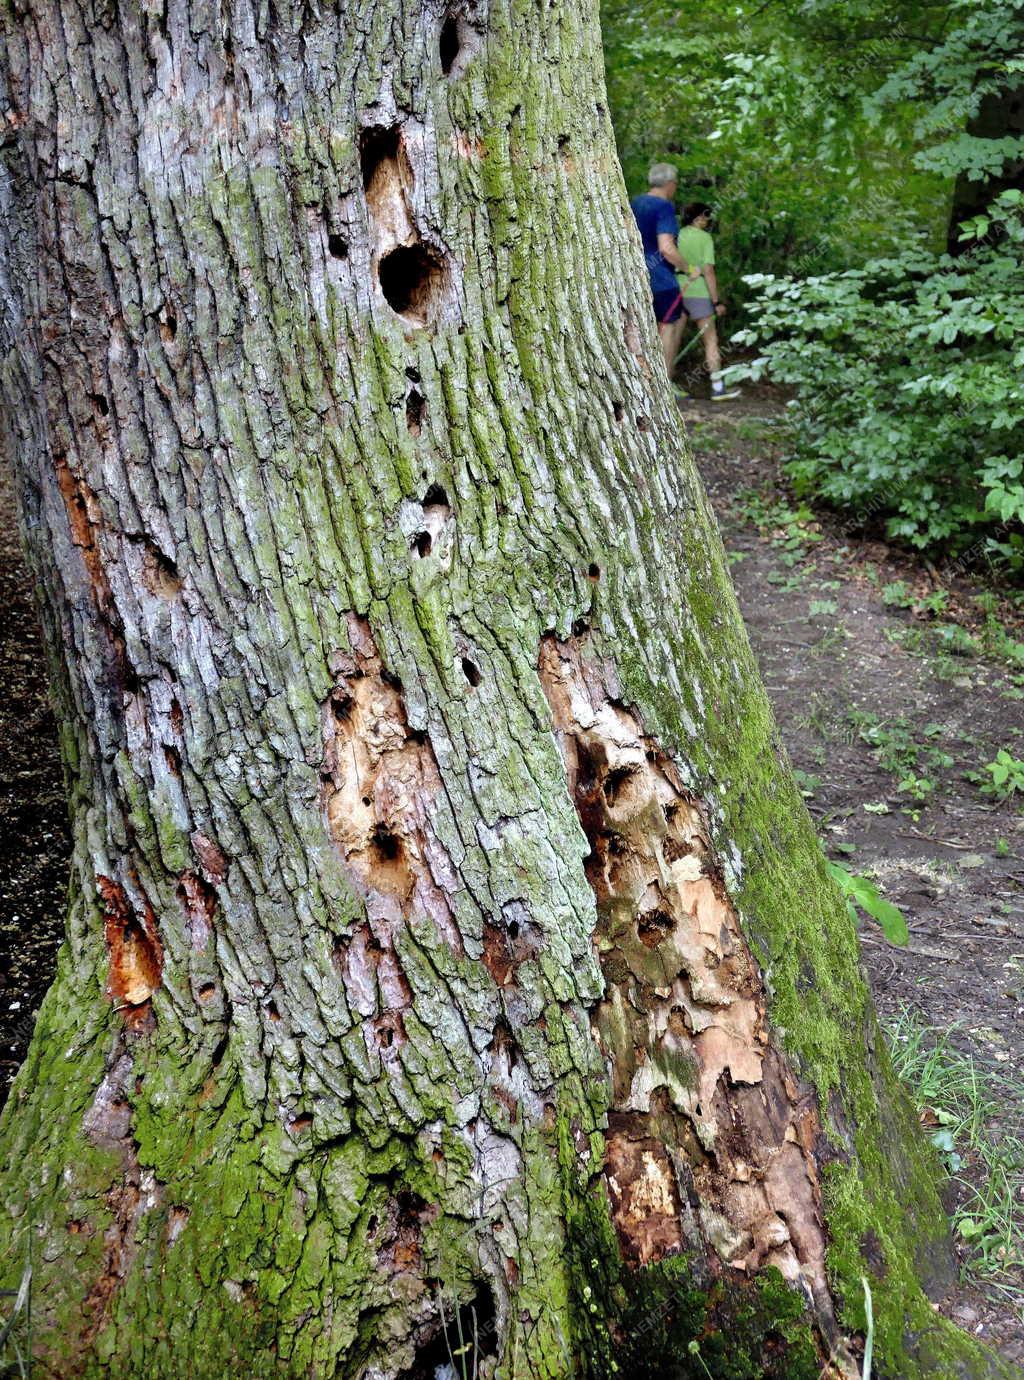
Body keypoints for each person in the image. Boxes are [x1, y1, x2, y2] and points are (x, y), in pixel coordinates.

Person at [630, 163, 698, 378]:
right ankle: (665, 382)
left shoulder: (634, 203)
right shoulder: (664, 206)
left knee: (638, 330)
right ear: (670, 184)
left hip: (633, 277)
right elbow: (667, 248)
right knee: (669, 326)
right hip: (661, 280)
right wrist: (689, 269)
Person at [676, 203, 740, 401]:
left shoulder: (677, 235)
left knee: (671, 340)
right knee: (711, 340)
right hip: (700, 291)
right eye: (705, 217)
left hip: (677, 289)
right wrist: (716, 301)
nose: (707, 220)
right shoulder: (705, 238)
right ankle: (718, 387)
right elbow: (709, 271)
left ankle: (664, 385)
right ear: (697, 218)